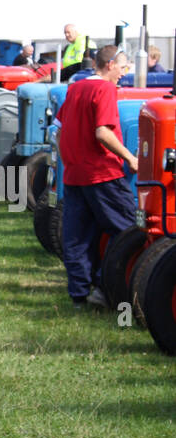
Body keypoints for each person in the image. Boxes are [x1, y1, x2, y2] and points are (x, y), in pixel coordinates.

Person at [57, 45, 139, 309]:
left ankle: (79, 295)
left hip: (74, 174)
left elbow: (58, 131)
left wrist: (69, 158)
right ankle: (106, 286)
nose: (124, 74)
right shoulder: (104, 89)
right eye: (123, 67)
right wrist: (130, 158)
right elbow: (102, 132)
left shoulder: (75, 88)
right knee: (128, 230)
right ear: (110, 64)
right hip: (102, 173)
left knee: (78, 237)